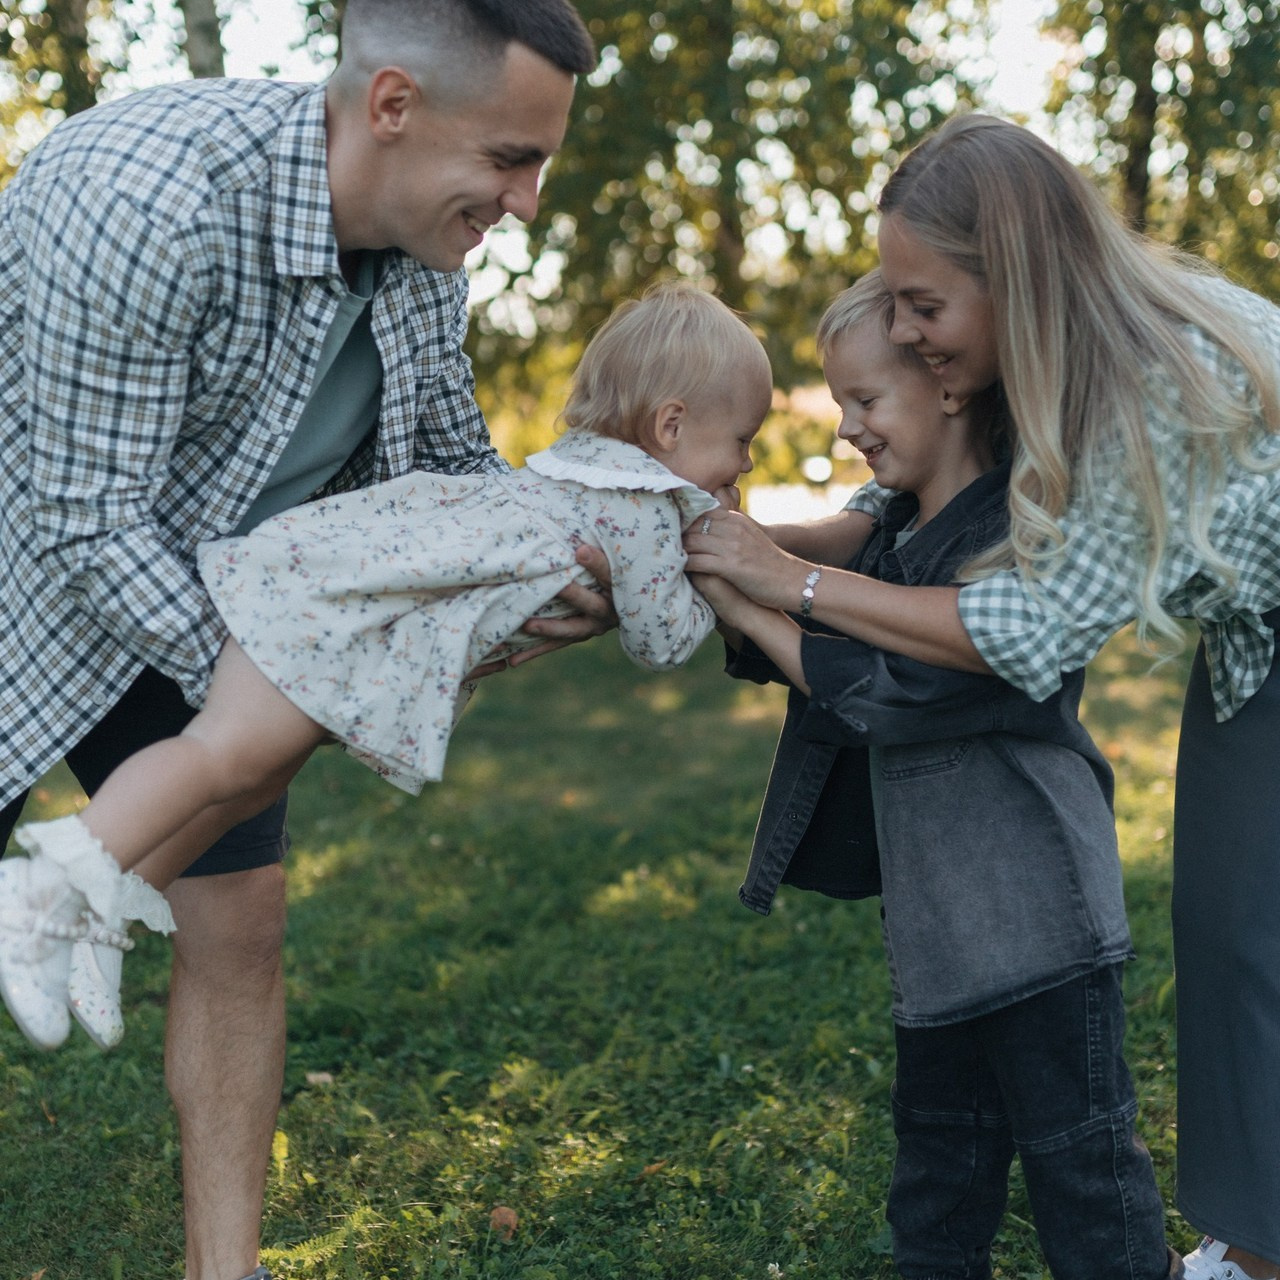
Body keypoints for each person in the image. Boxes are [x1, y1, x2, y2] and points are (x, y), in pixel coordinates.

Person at [0, 3, 606, 1278]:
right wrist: (284, 679)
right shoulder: (145, 196)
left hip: (212, 586)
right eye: (509, 159)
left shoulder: (423, 260)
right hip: (36, 565)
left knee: (240, 924)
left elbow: (451, 471)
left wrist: (554, 565)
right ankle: (64, 892)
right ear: (391, 106)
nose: (525, 202)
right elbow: (82, 520)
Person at [685, 113, 1280, 1280]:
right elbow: (884, 518)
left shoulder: (1145, 390)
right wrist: (718, 546)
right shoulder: (1037, 356)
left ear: (1009, 276)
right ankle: (1257, 1247)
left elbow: (1022, 631)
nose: (904, 332)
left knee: (1254, 934)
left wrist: (783, 582)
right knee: (1231, 933)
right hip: (1254, 630)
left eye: (921, 304)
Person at [0, 281, 770, 1054]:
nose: (745, 462)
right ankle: (46, 891)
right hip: (336, 622)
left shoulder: (581, 466)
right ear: (671, 425)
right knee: (219, 756)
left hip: (338, 584)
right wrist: (714, 582)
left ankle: (97, 904)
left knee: (251, 775)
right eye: (741, 440)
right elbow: (662, 641)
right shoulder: (645, 510)